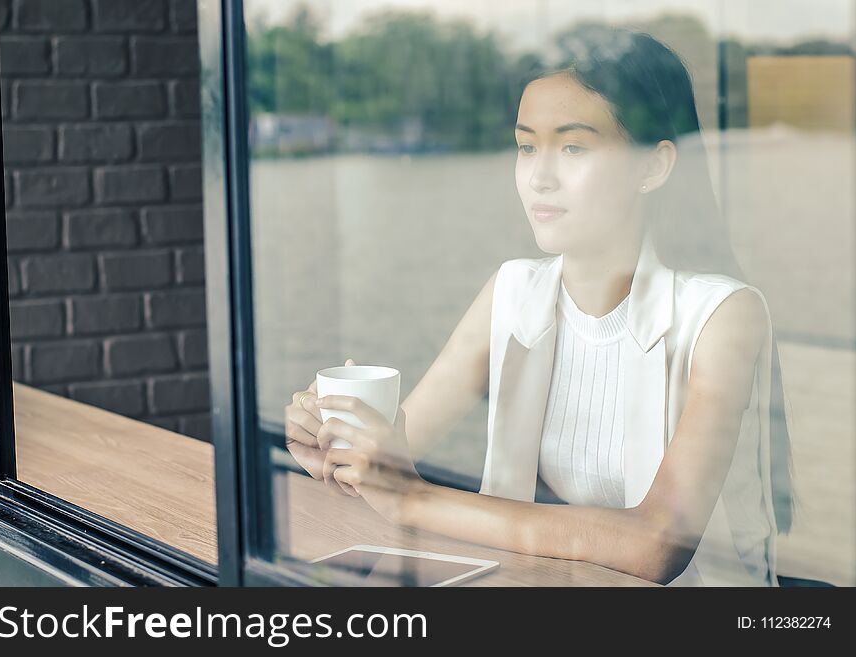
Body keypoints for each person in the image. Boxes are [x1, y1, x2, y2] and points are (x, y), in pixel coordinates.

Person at [283, 27, 795, 586]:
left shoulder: (723, 316)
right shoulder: (512, 293)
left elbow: (657, 544)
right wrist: (341, 453)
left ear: (653, 166)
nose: (539, 177)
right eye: (527, 146)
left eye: (573, 147)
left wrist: (411, 498)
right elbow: (401, 459)